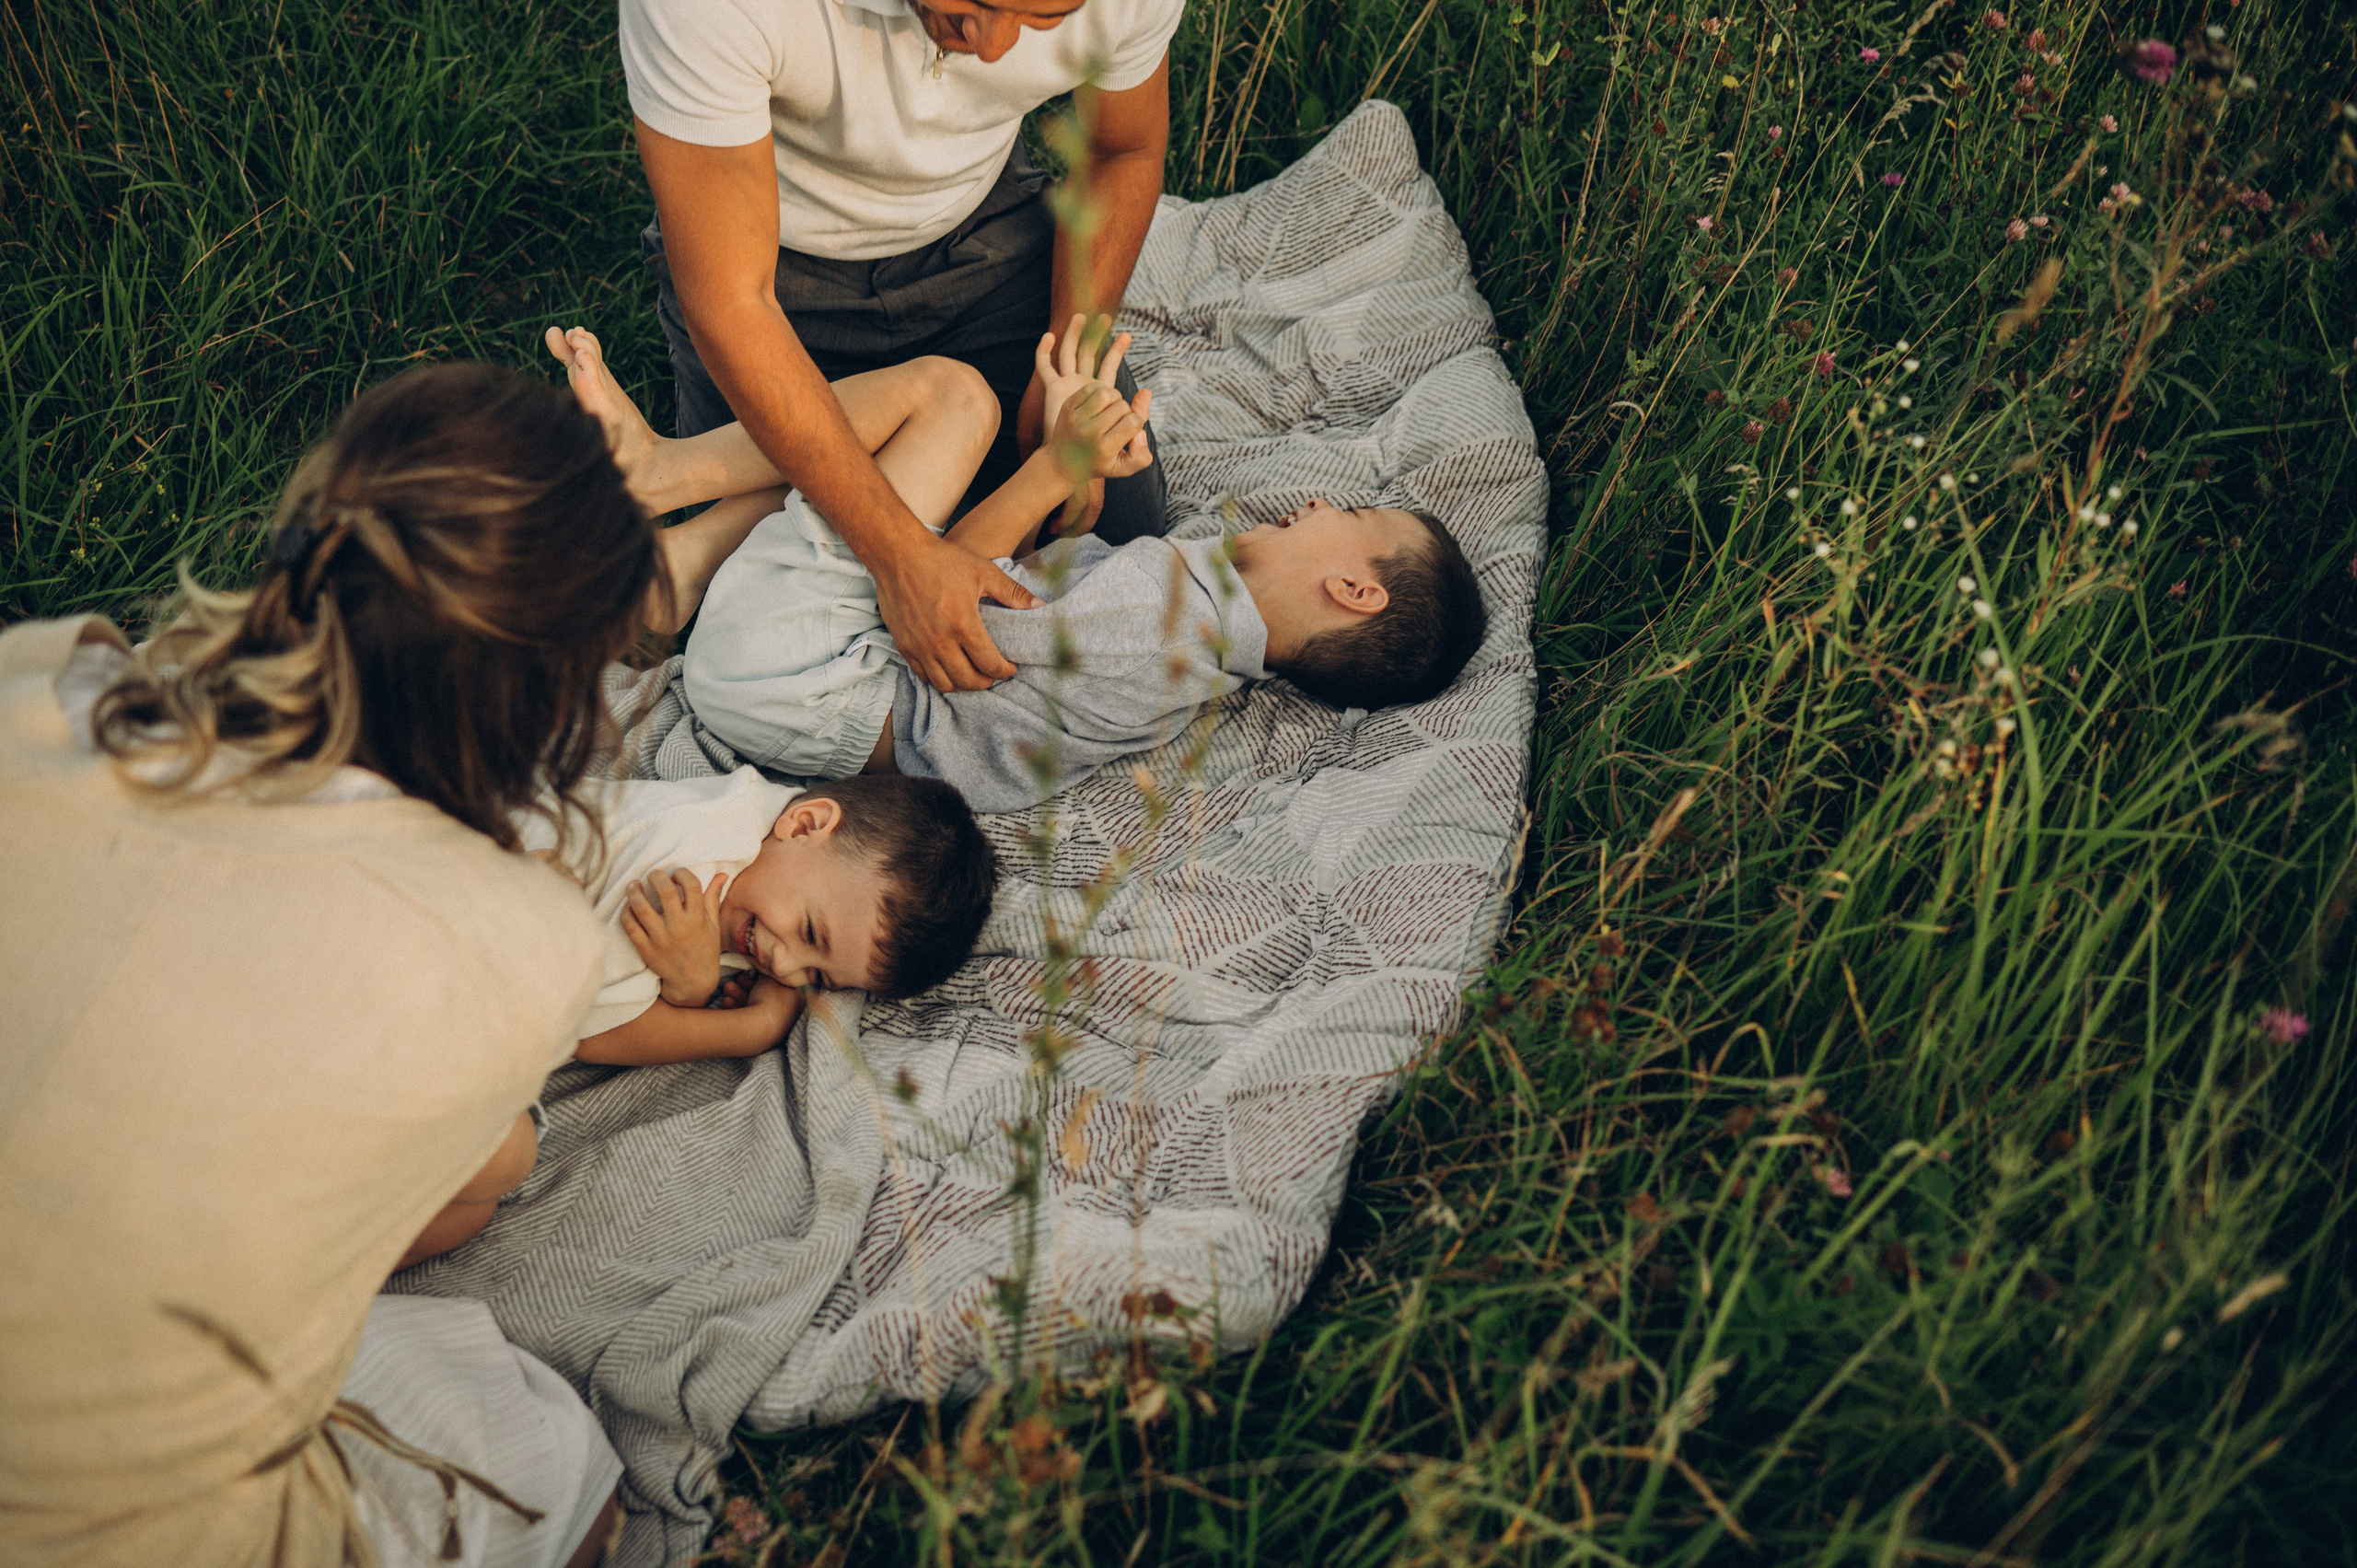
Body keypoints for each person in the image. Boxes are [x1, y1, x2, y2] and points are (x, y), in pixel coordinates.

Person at [0, 364, 656, 1568]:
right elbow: (481, 1159)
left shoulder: (38, 688)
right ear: (553, 696)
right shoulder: (523, 937)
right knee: (558, 1457)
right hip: (102, 1530)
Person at [550, 319, 1488, 815]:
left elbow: (941, 591)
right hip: (790, 679)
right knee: (857, 482)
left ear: (1355, 591)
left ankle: (665, 472)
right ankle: (676, 571)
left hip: (806, 678)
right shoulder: (1192, 639)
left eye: (1351, 516)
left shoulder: (1164, 625)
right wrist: (1073, 490)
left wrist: (1050, 467)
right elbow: (1026, 586)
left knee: (951, 400)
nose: (1319, 503)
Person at [620, 0, 1185, 694]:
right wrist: (898, 556)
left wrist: (1067, 366)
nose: (994, 48)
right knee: (755, 628)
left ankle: (697, 517)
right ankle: (695, 515)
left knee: (1116, 556)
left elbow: (1121, 150)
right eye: (977, 3)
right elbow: (734, 302)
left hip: (983, 240)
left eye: (1043, 17)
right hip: (776, 277)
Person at [545, 769, 996, 1066]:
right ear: (804, 825)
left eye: (817, 976)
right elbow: (584, 1030)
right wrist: (749, 1026)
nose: (783, 966)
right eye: (810, 932)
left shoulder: (776, 845)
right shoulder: (688, 873)